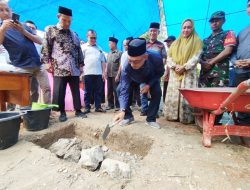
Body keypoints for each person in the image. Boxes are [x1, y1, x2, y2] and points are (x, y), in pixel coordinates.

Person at [0, 1, 51, 106]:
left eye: (7, 10)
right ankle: (19, 114)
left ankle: (45, 113)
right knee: (20, 92)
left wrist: (23, 31)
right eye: (1, 10)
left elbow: (40, 40)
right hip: (21, 66)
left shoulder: (23, 25)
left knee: (46, 89)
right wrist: (3, 29)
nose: (5, 13)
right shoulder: (1, 29)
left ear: (11, 11)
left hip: (37, 63)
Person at [41, 6, 86, 122]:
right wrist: (47, 63)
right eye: (64, 20)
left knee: (75, 89)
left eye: (69, 21)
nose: (67, 23)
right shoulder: (51, 30)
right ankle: (62, 112)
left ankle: (78, 110)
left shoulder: (74, 33)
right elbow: (46, 47)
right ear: (58, 17)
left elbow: (78, 50)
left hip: (74, 68)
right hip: (60, 66)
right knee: (60, 90)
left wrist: (81, 65)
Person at [114, 38, 164, 129]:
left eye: (136, 61)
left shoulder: (156, 58)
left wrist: (148, 85)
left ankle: (151, 119)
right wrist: (122, 110)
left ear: (145, 57)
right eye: (130, 60)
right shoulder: (126, 67)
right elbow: (124, 89)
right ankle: (128, 116)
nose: (132, 64)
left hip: (150, 78)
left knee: (157, 92)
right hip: (133, 78)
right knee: (119, 89)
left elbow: (160, 73)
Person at [164, 19, 203, 124]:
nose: (186, 30)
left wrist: (184, 67)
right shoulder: (175, 43)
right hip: (175, 73)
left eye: (189, 27)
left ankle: (186, 118)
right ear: (181, 29)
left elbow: (196, 57)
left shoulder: (197, 41)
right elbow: (169, 58)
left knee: (186, 95)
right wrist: (175, 66)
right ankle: (173, 116)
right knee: (175, 94)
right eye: (184, 27)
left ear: (193, 28)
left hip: (188, 73)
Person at [199, 11, 237, 87]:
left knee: (219, 97)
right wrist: (202, 63)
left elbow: (228, 50)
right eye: (212, 21)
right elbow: (199, 55)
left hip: (220, 74)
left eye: (217, 20)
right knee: (203, 97)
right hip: (205, 74)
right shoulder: (205, 40)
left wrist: (211, 62)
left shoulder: (229, 33)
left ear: (223, 21)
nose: (214, 23)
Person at [140, 22, 167, 116]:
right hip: (144, 72)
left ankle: (153, 111)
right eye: (151, 31)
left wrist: (160, 67)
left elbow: (164, 58)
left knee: (156, 92)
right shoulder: (144, 45)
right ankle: (144, 109)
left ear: (158, 32)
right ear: (148, 32)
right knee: (143, 90)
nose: (153, 33)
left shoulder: (161, 45)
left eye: (155, 31)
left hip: (156, 73)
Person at [230, 0, 250, 126]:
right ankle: (243, 129)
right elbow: (233, 51)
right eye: (249, 5)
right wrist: (235, 61)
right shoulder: (242, 31)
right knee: (242, 100)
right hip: (241, 71)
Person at [81, 29, 106, 114]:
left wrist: (104, 72)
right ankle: (87, 107)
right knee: (87, 91)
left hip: (98, 73)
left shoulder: (99, 48)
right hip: (87, 73)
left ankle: (98, 107)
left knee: (98, 91)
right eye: (91, 38)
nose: (93, 40)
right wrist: (81, 73)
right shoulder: (83, 47)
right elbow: (80, 61)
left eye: (95, 38)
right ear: (87, 37)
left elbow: (103, 61)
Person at [106, 37, 122, 111]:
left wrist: (118, 75)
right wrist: (105, 72)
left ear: (114, 44)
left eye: (110, 43)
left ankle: (118, 105)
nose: (109, 44)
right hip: (109, 75)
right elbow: (107, 64)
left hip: (115, 75)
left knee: (116, 90)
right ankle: (110, 105)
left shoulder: (119, 53)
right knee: (109, 90)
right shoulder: (108, 53)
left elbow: (120, 65)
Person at [163, 36, 176, 102]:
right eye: (167, 42)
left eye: (169, 41)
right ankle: (165, 106)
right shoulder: (168, 52)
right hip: (168, 75)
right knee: (165, 91)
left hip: (174, 76)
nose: (168, 43)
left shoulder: (177, 51)